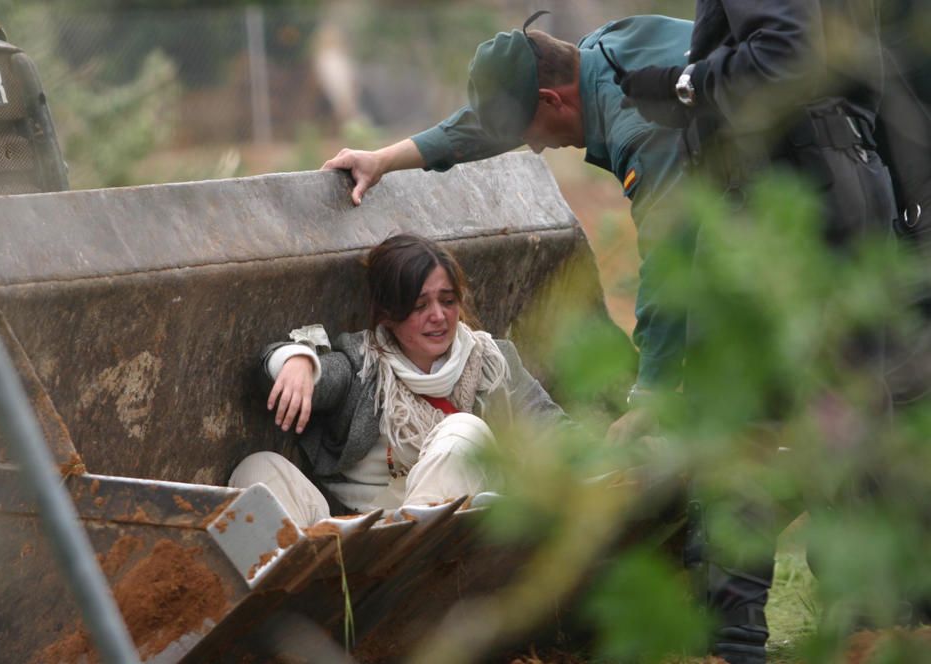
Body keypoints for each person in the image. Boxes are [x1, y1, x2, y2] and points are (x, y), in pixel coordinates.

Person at [618, 3, 897, 663]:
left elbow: (784, 51)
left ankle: (733, 644)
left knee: (739, 429)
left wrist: (684, 86)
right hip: (847, 182)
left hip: (788, 205)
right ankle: (868, 619)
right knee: (847, 420)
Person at [322, 14, 696, 436]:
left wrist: (650, 395)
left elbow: (670, 260)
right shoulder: (599, 52)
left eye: (529, 133)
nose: (534, 146)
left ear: (552, 100)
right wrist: (385, 160)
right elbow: (484, 127)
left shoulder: (641, 131)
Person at [229, 233, 566, 527]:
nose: (438, 316)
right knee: (257, 470)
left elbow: (551, 428)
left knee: (464, 432)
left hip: (440, 548)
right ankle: (297, 591)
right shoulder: (362, 365)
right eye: (420, 305)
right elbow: (277, 371)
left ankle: (416, 567)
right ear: (389, 315)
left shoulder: (493, 362)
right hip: (356, 542)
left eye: (447, 301)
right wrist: (297, 359)